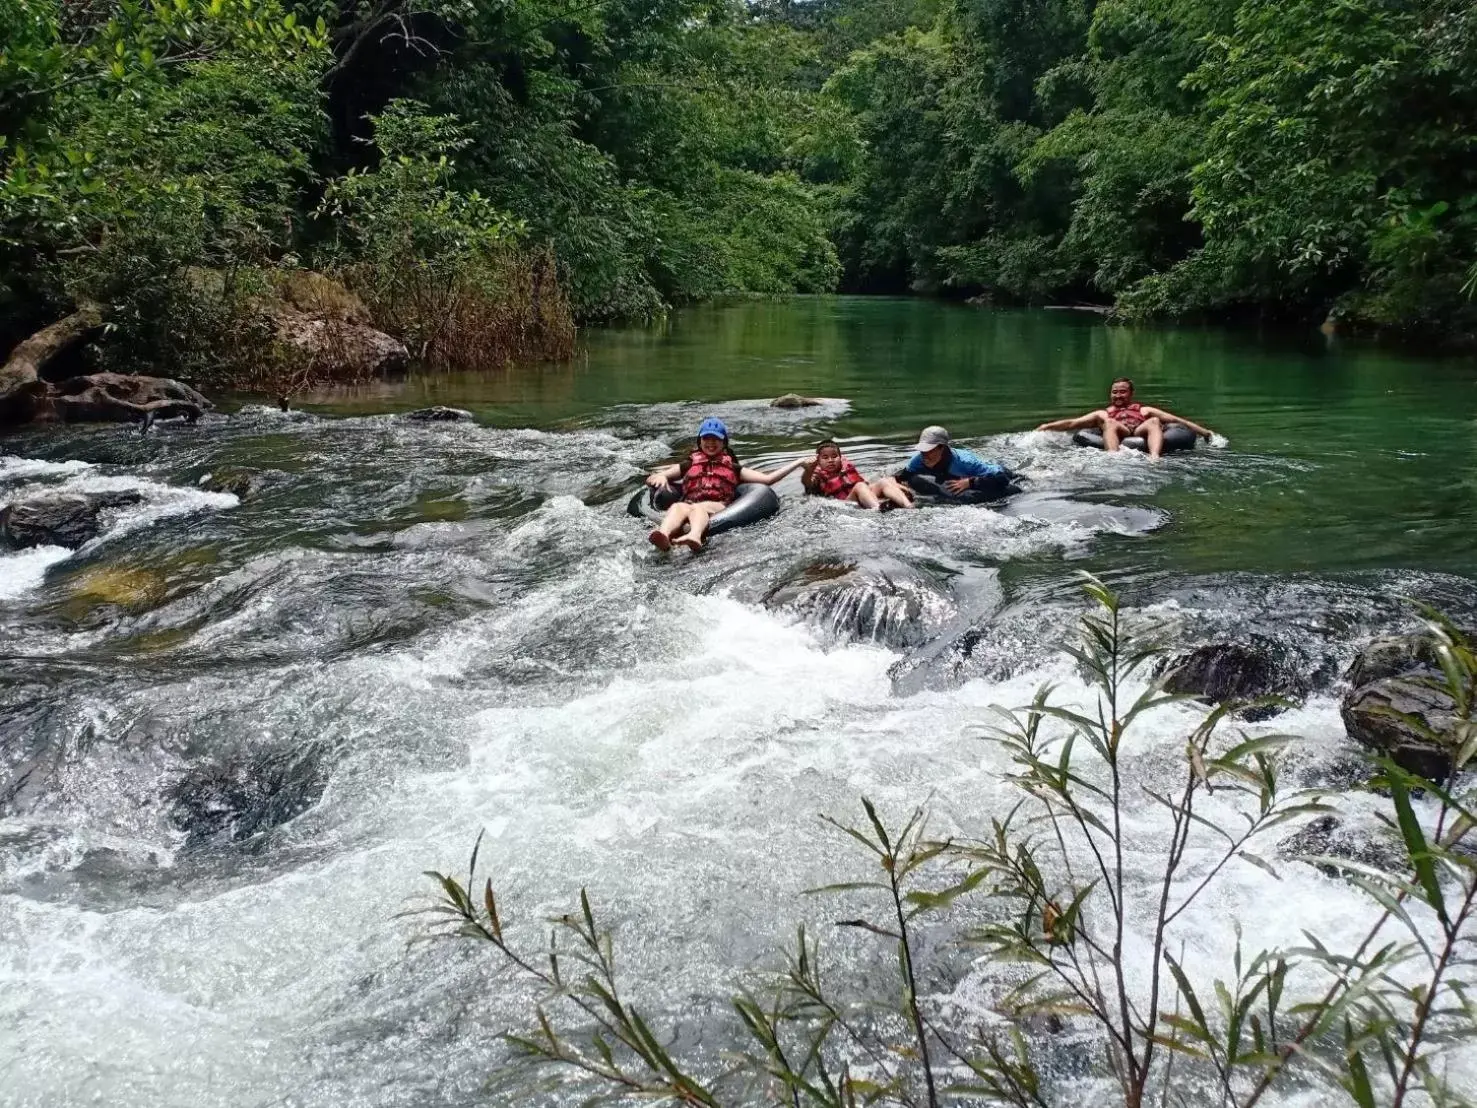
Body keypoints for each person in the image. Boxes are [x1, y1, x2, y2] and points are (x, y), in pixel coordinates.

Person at [645, 418, 804, 551]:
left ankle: (694, 535)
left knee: (698, 508)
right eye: (706, 439)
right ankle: (663, 536)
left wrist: (798, 462)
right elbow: (658, 476)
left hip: (717, 506)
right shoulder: (689, 463)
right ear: (700, 441)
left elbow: (769, 479)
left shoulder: (734, 468)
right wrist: (662, 477)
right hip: (689, 503)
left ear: (724, 442)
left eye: (716, 439)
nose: (711, 443)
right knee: (677, 507)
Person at [1035, 377, 1215, 459]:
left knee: (1154, 421)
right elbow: (1072, 423)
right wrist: (1046, 426)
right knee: (1110, 422)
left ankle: (1154, 458)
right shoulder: (1103, 414)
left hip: (1138, 430)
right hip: (1118, 432)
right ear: (1110, 394)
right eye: (1115, 392)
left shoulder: (1144, 410)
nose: (1118, 395)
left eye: (1123, 392)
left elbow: (1179, 421)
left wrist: (1204, 432)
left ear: (1131, 393)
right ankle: (1114, 457)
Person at [895, 425, 1013, 498]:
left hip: (998, 472)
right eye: (922, 450)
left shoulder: (966, 462)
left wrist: (970, 483)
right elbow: (902, 476)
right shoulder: (917, 460)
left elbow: (1002, 478)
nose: (924, 455)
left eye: (929, 450)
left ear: (942, 447)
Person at [801, 439, 916, 510]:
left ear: (840, 457)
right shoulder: (816, 474)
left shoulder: (845, 467)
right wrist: (807, 469)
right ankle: (877, 509)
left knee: (884, 481)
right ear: (818, 461)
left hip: (862, 496)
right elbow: (807, 482)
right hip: (846, 502)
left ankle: (910, 507)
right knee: (860, 486)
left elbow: (865, 484)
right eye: (825, 458)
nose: (830, 460)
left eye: (834, 456)